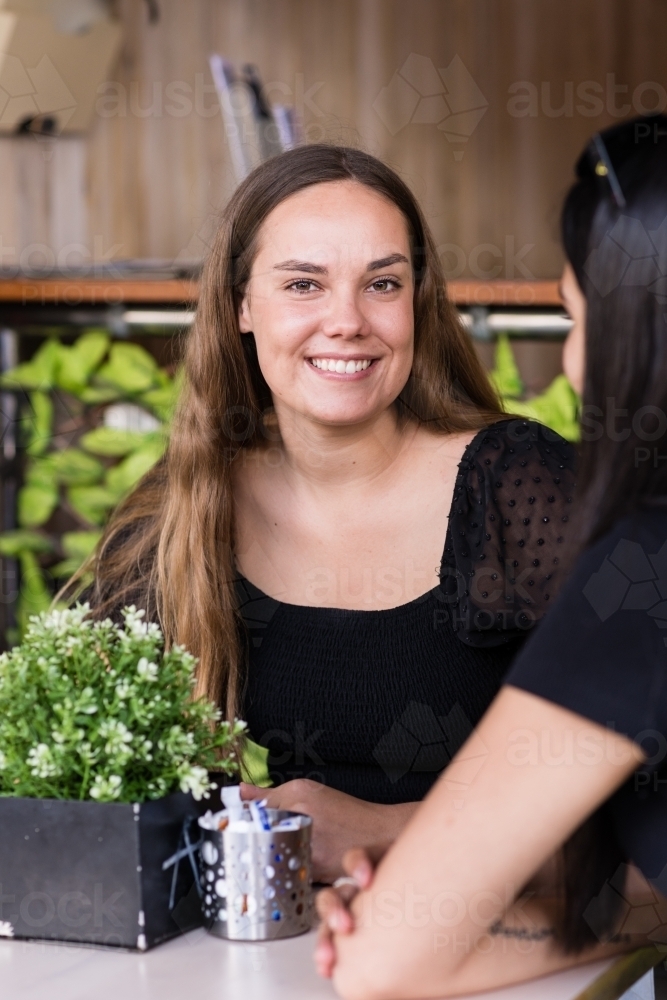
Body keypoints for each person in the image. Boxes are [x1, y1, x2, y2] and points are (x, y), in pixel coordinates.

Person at [77, 144, 575, 883]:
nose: (346, 321)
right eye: (304, 284)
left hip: (522, 953)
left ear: (416, 302)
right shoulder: (186, 504)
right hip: (286, 950)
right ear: (241, 305)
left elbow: (633, 800)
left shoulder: (514, 485)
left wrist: (380, 831)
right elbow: (85, 772)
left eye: (381, 282)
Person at [316, 116, 667, 997]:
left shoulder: (640, 571)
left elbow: (377, 966)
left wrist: (405, 905)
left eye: (570, 314)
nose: (573, 362)